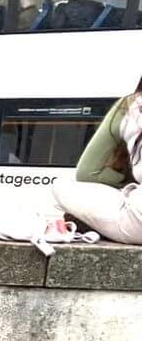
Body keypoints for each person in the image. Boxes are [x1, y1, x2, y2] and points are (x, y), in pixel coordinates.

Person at [56, 79, 142, 245]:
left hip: (137, 224)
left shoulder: (131, 104)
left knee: (60, 186)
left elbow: (87, 172)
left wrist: (127, 182)